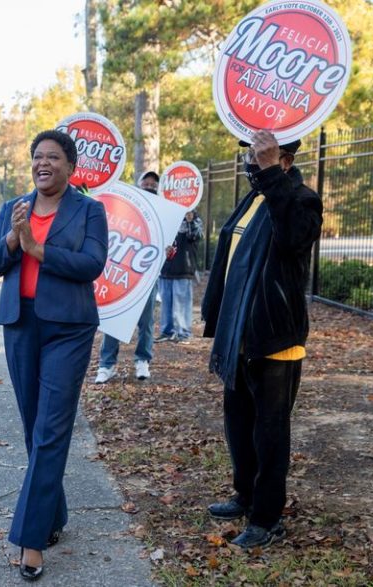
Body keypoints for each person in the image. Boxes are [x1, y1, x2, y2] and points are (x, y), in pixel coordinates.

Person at [0, 130, 107, 581]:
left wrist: (39, 249)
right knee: (35, 427)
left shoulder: (89, 210)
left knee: (51, 429)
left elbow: (92, 264)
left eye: (53, 157)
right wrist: (14, 241)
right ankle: (53, 513)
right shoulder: (14, 208)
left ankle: (30, 541)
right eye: (37, 156)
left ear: (71, 167)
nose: (43, 163)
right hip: (21, 325)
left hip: (68, 329)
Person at [202, 130, 322, 549]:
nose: (251, 161)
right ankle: (246, 495)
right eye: (251, 153)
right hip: (238, 333)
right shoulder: (253, 199)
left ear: (285, 161)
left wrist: (271, 176)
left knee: (270, 434)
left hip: (274, 337)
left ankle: (267, 518)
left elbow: (293, 238)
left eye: (261, 154)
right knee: (239, 423)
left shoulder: (301, 199)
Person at [95, 171, 161, 383]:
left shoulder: (163, 214)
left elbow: (170, 246)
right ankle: (107, 364)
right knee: (116, 319)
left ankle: (143, 360)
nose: (149, 186)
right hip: (122, 273)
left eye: (153, 184)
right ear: (139, 185)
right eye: (146, 183)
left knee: (146, 321)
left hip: (147, 276)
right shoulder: (129, 209)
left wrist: (170, 250)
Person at [155, 209, 204, 344]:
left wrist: (190, 220)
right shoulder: (164, 213)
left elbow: (196, 236)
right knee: (166, 303)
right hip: (165, 268)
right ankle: (167, 332)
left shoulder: (193, 217)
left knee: (182, 303)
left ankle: (183, 333)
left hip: (183, 268)